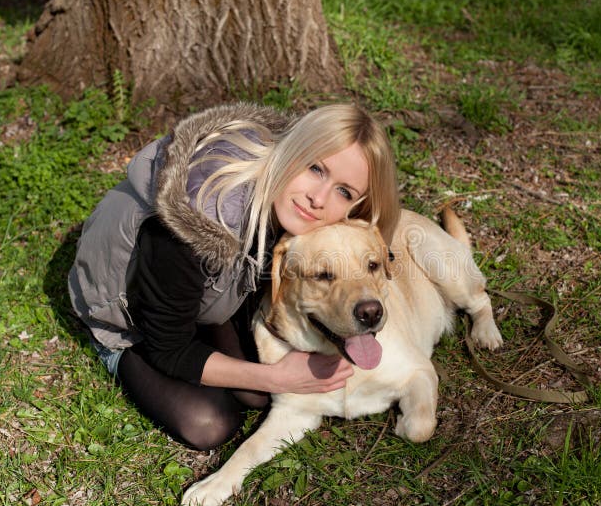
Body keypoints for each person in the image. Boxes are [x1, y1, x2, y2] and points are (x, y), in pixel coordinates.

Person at [68, 102, 400, 451]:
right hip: (130, 314)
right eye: (315, 168)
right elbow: (169, 349)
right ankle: (116, 354)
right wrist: (277, 376)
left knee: (255, 397)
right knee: (210, 423)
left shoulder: (290, 206)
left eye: (344, 191)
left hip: (211, 293)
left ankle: (216, 326)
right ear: (294, 149)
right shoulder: (196, 221)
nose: (318, 198)